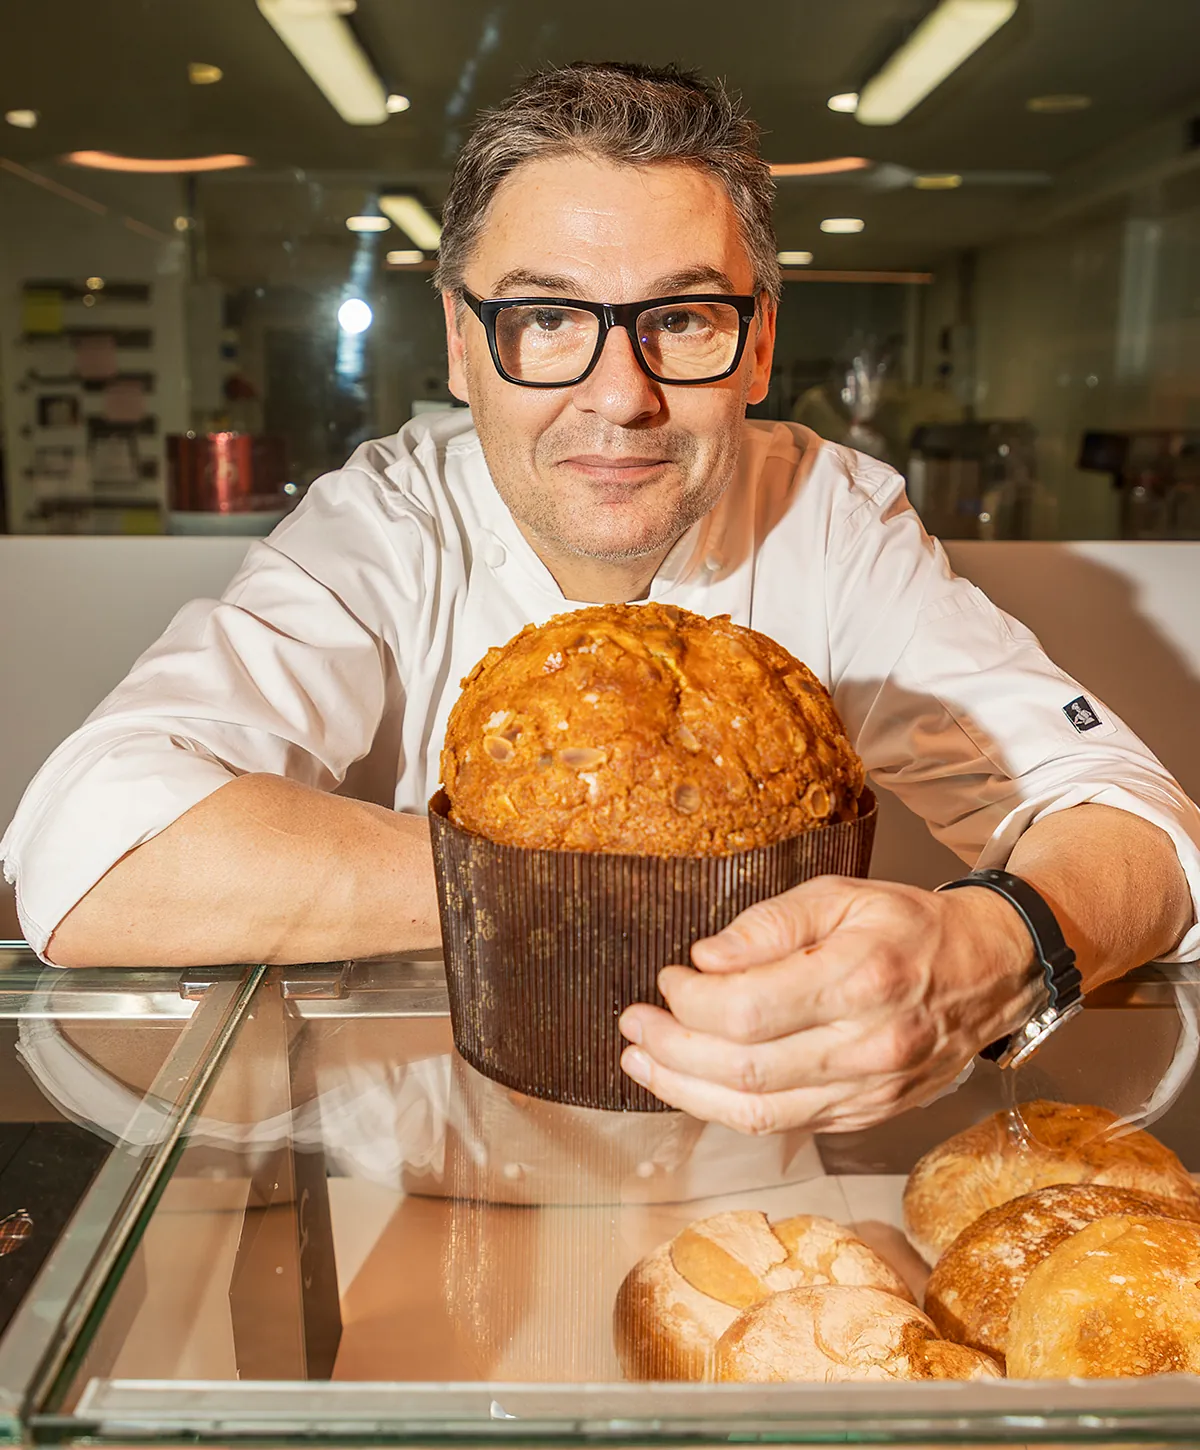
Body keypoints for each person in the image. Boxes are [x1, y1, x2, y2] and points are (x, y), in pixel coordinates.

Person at [3, 63, 1198, 1138]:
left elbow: (1144, 829)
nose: (619, 396)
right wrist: (642, 883)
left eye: (681, 318)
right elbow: (88, 852)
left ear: (760, 341)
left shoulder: (829, 520)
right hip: (430, 1180)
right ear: (463, 346)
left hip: (761, 1171)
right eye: (547, 318)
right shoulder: (387, 522)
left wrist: (997, 943)